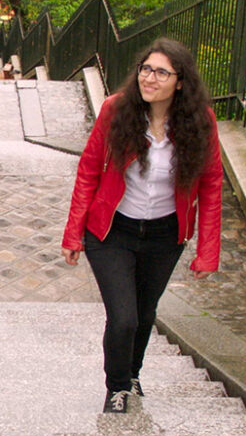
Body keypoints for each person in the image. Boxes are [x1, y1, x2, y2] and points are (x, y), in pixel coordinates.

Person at [61, 37, 223, 414]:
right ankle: (117, 387)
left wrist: (207, 253)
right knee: (124, 317)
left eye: (161, 72)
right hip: (112, 231)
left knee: (145, 313)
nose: (149, 78)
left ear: (180, 81)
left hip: (166, 236)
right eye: (145, 69)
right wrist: (73, 232)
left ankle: (132, 373)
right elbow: (87, 171)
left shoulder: (201, 121)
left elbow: (211, 184)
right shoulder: (116, 110)